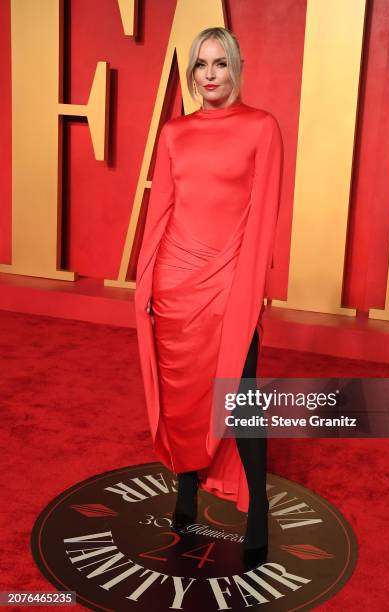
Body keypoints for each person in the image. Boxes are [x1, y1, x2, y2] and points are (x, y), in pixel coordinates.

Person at [134, 26, 283, 570]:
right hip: (174, 280)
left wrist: (250, 293)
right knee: (181, 392)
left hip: (229, 282)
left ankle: (258, 510)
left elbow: (264, 217)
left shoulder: (262, 128)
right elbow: (161, 213)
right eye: (201, 65)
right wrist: (146, 280)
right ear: (193, 73)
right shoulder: (174, 132)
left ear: (235, 67)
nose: (211, 74)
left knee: (239, 398)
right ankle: (187, 489)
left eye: (220, 63)